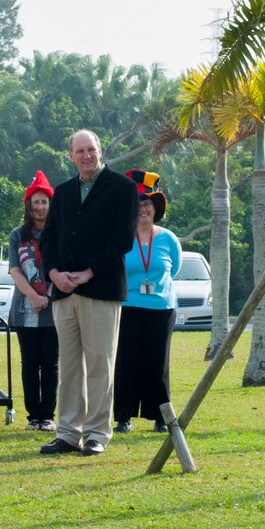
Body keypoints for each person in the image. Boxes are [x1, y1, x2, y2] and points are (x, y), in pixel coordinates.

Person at [39, 129, 139, 457]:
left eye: (91, 149)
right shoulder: (63, 192)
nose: (86, 155)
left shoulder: (123, 188)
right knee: (68, 367)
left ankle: (97, 433)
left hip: (101, 289)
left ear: (100, 151)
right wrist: (54, 273)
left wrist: (89, 272)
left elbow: (122, 239)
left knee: (99, 364)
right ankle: (68, 433)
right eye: (79, 151)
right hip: (64, 293)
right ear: (70, 155)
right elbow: (48, 239)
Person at [114, 170, 181, 434]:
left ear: (156, 208)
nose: (144, 208)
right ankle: (123, 417)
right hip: (127, 307)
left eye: (148, 203)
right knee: (126, 361)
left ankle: (161, 417)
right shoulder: (121, 236)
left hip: (161, 308)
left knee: (157, 363)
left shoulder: (168, 238)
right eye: (139, 203)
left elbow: (172, 269)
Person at [7, 172, 57, 431]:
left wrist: (46, 296)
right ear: (28, 206)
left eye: (44, 202)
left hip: (52, 309)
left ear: (51, 205)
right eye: (35, 202)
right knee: (29, 364)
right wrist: (33, 296)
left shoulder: (57, 232)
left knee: (50, 364)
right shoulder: (18, 235)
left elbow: (60, 266)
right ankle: (33, 416)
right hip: (24, 310)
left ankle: (47, 415)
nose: (40, 207)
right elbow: (15, 270)